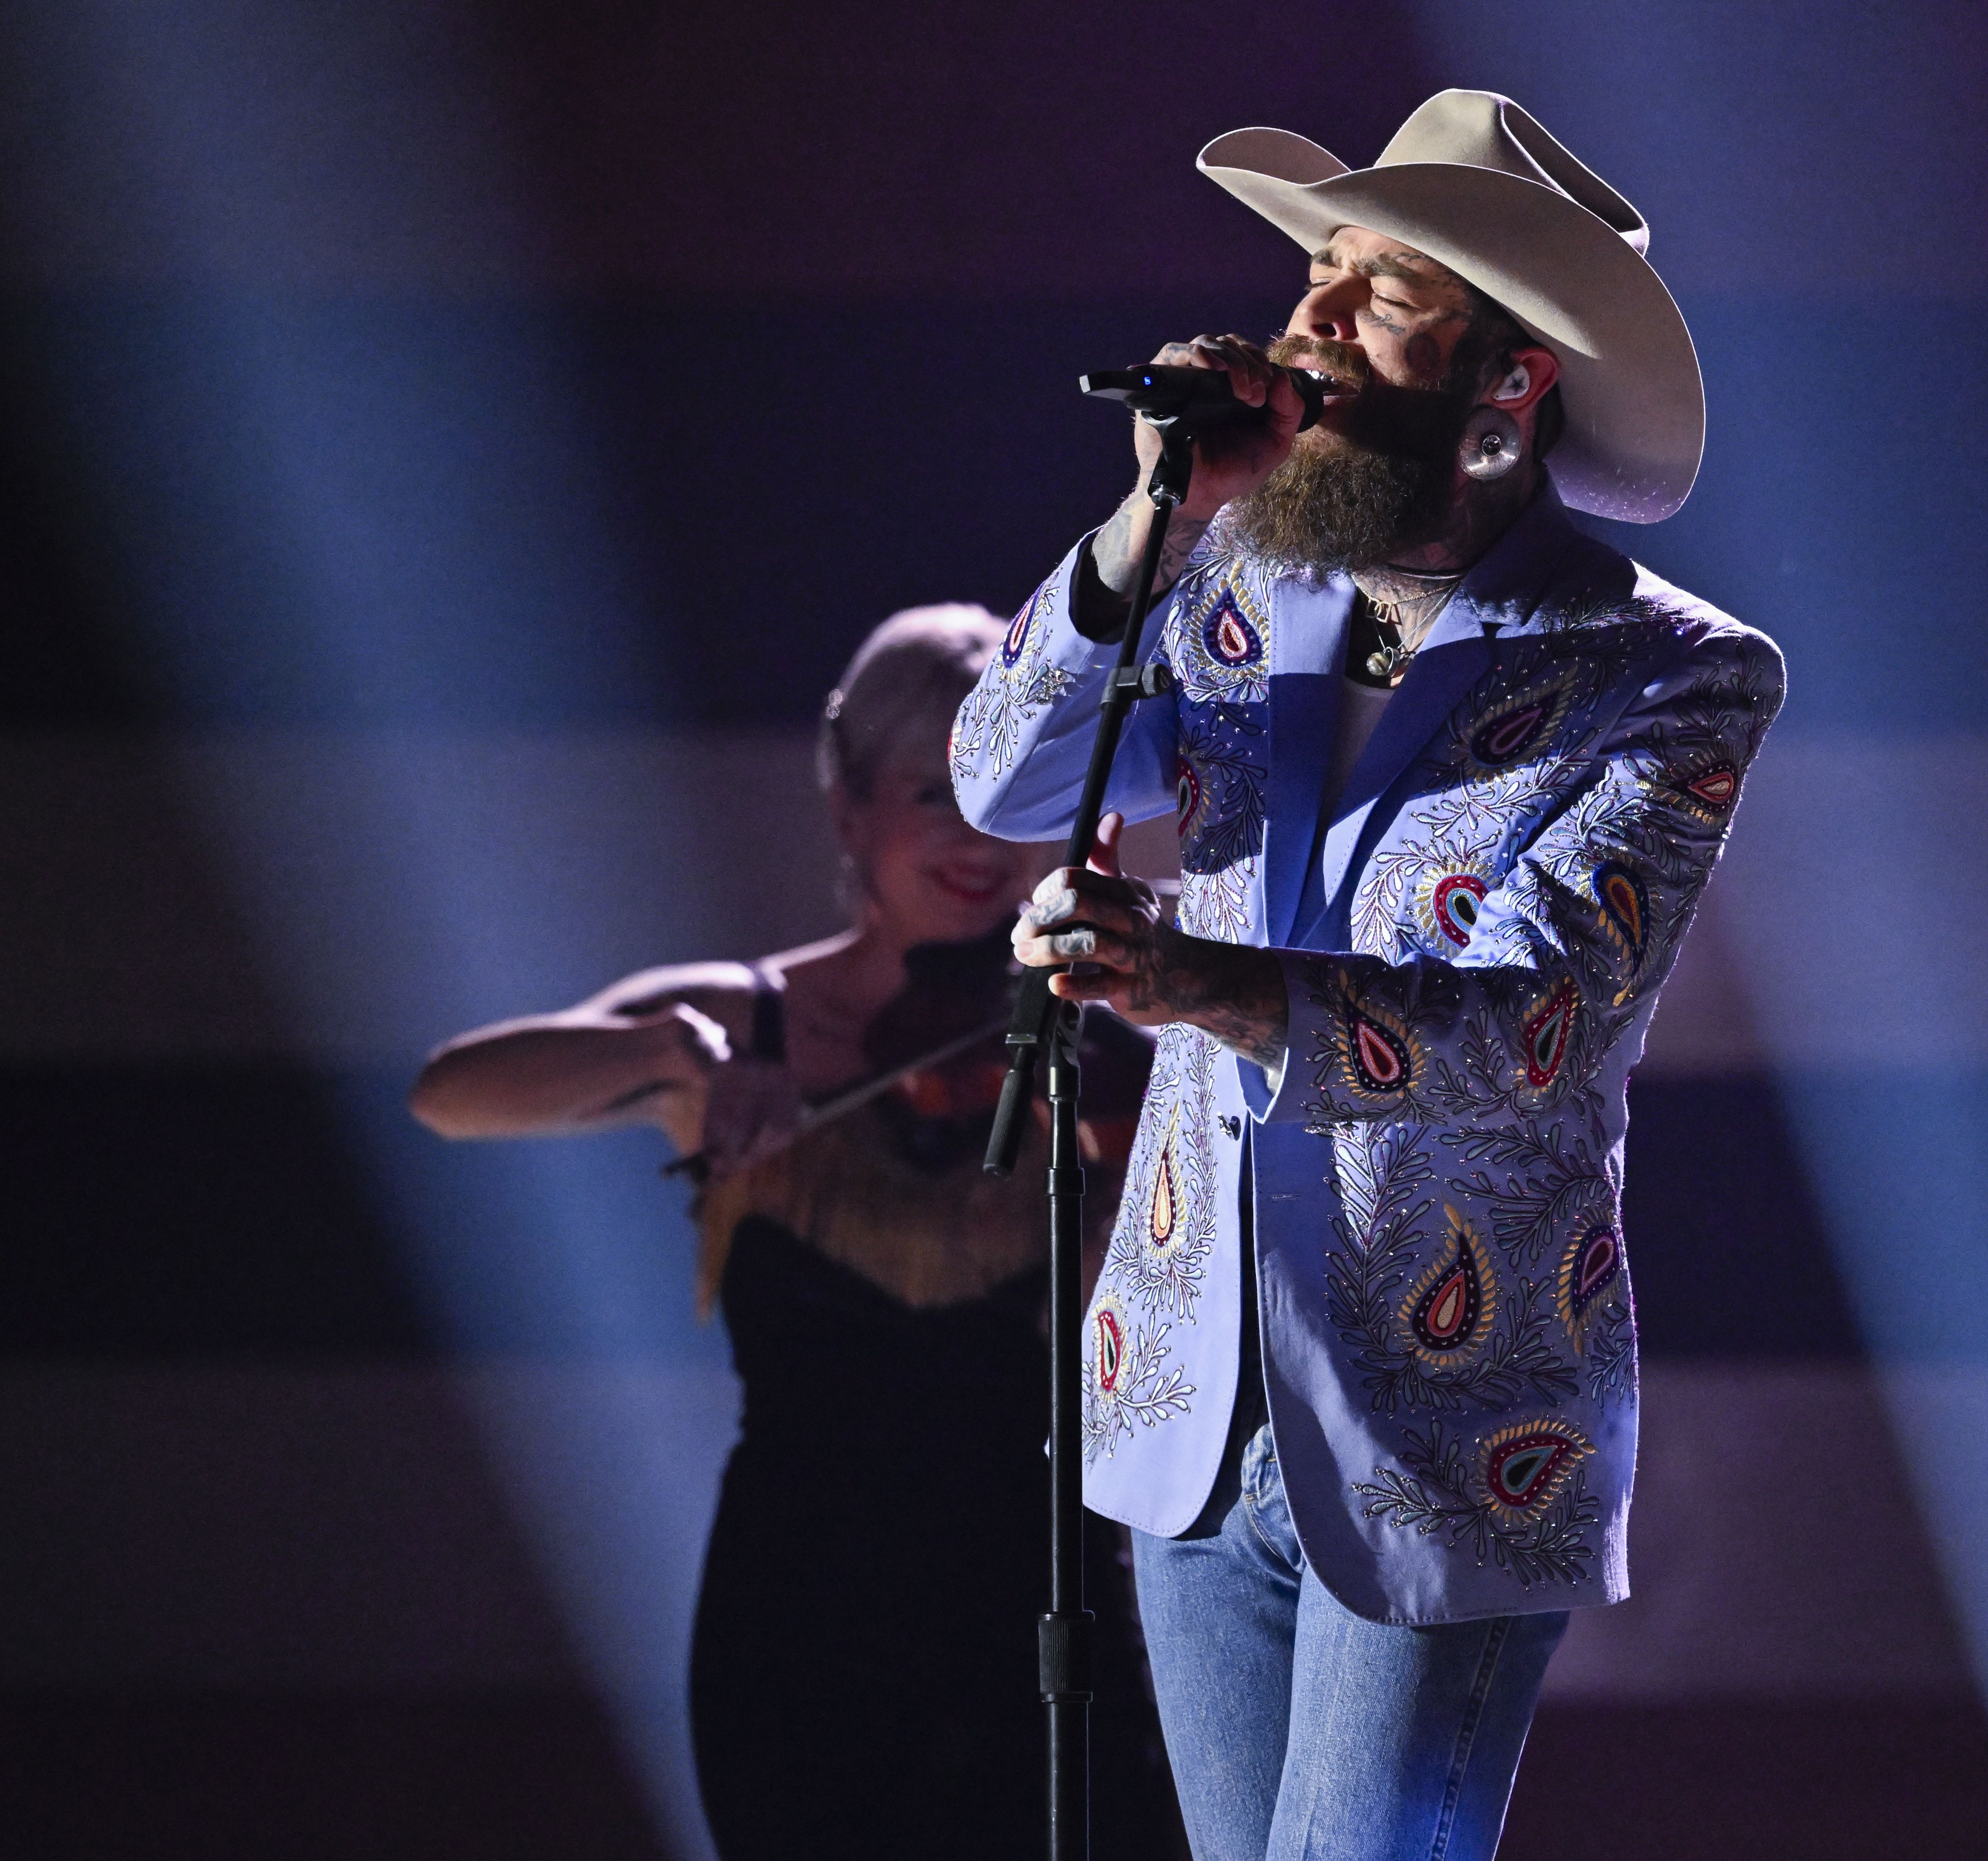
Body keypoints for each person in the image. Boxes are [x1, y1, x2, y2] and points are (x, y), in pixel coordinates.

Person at [950, 90, 1784, 1861]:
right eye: (1317, 272)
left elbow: (1536, 1029)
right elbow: (1002, 781)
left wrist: (1199, 983)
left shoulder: (1664, 673)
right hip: (1191, 1395)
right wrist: (1153, 527)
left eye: (1382, 293)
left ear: (1510, 382)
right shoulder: (1236, 589)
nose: (1311, 319)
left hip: (1449, 1429)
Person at [410, 607, 1182, 1861]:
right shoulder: (741, 1021)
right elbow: (451, 1095)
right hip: (808, 1615)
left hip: (1046, 1599)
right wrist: (672, 1056)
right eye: (932, 793)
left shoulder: (1105, 1050)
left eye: (1005, 796)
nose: (973, 837)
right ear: (848, 807)